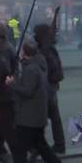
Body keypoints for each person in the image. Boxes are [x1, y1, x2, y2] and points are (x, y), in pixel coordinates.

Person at [2, 40, 72, 163]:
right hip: (36, 115)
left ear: (24, 52)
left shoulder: (31, 69)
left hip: (29, 117)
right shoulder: (38, 64)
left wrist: (11, 84)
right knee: (43, 149)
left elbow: (27, 91)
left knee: (20, 149)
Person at [34, 24, 66, 154]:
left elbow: (48, 68)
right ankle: (59, 144)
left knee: (39, 117)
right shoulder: (48, 47)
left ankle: (39, 148)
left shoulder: (45, 50)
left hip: (47, 86)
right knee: (53, 116)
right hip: (51, 86)